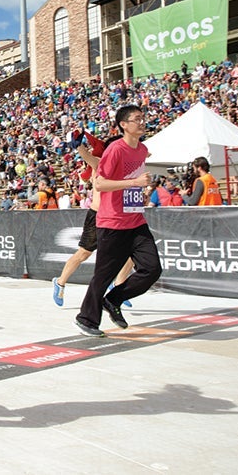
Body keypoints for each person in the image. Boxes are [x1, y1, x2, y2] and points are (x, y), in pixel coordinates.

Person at [75, 105, 160, 337]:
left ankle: (113, 300)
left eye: (143, 118)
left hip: (136, 220)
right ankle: (86, 319)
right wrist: (134, 183)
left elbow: (134, 179)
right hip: (112, 222)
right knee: (103, 276)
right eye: (136, 119)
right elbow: (100, 184)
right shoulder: (115, 150)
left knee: (152, 269)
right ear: (124, 125)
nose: (142, 122)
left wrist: (140, 191)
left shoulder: (142, 149)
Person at [52, 137, 134, 308]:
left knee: (132, 252)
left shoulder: (125, 167)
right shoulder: (101, 163)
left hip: (116, 217)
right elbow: (87, 156)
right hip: (97, 216)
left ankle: (118, 286)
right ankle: (60, 283)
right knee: (84, 253)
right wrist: (78, 145)